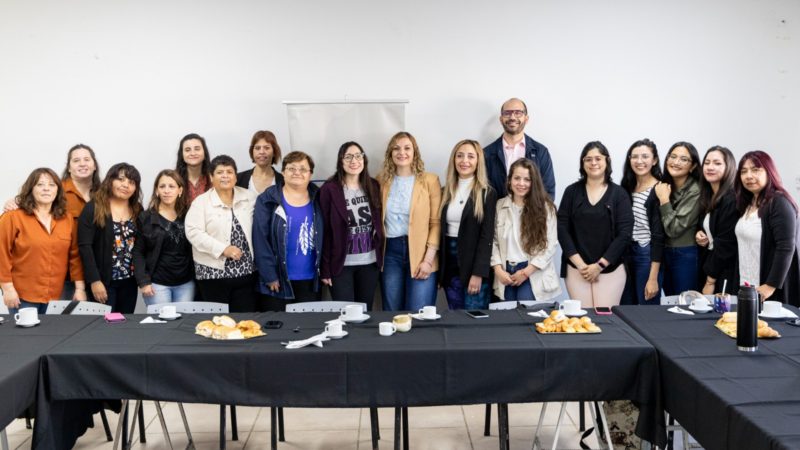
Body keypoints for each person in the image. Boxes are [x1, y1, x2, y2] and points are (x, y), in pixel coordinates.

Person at [4, 144, 100, 299]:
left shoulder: (103, 194)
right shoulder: (55, 188)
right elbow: (31, 199)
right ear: (69, 167)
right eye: (76, 160)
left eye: (87, 159)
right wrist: (14, 201)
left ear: (94, 165)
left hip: (96, 272)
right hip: (62, 276)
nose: (82, 163)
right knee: (57, 320)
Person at [558, 141, 633, 307]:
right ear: (582, 163)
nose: (593, 163)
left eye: (598, 158)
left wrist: (599, 265)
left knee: (606, 320)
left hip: (610, 268)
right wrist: (581, 265)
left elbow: (625, 234)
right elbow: (562, 229)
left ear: (607, 160)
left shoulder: (619, 194)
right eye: (588, 159)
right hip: (577, 268)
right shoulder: (571, 192)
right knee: (581, 320)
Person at [0, 168, 85, 313]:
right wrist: (7, 289)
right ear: (30, 189)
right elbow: (2, 254)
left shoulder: (67, 219)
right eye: (40, 184)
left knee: (51, 335)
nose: (46, 189)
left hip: (55, 295)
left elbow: (75, 256)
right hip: (21, 296)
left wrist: (80, 289)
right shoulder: (12, 217)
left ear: (58, 190)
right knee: (25, 336)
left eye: (52, 185)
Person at [186, 155, 258, 312]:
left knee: (245, 321)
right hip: (212, 275)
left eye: (229, 172)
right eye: (220, 172)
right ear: (211, 177)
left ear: (235, 176)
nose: (225, 176)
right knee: (218, 323)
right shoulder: (201, 202)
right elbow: (193, 232)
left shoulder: (250, 197)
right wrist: (223, 249)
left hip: (246, 274)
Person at [378, 132, 441, 311]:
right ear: (390, 153)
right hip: (390, 252)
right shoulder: (381, 180)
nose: (401, 152)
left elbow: (436, 223)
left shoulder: (430, 180)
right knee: (392, 312)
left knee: (419, 312)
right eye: (396, 148)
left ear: (415, 152)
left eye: (407, 148)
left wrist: (428, 260)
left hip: (422, 252)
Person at [253, 151, 323, 310]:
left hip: (311, 279)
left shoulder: (320, 197)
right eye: (291, 168)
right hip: (278, 280)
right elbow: (260, 239)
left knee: (308, 329)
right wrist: (269, 276)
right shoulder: (268, 199)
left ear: (310, 174)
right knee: (279, 330)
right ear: (283, 172)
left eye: (303, 169)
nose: (297, 172)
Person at [319, 142, 383, 309]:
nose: (354, 160)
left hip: (369, 263)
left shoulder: (374, 186)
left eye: (358, 155)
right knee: (346, 314)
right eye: (348, 157)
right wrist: (325, 268)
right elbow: (324, 231)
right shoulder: (329, 189)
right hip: (341, 265)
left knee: (365, 311)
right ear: (341, 161)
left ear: (364, 159)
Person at [735, 151, 800, 306]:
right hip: (747, 283)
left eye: (755, 170)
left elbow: (785, 247)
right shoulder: (748, 203)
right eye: (743, 171)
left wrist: (770, 286)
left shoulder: (779, 202)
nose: (748, 176)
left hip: (769, 289)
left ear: (769, 172)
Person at [491, 158, 560, 302]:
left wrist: (526, 272)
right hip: (505, 272)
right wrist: (498, 270)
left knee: (527, 318)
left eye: (527, 179)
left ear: (533, 182)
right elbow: (493, 242)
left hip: (531, 271)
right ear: (509, 180)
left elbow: (550, 246)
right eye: (517, 178)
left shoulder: (546, 208)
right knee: (509, 320)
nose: (521, 183)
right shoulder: (499, 205)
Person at [438, 139, 497, 309]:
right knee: (455, 314)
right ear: (453, 159)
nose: (464, 161)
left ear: (478, 161)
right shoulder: (444, 191)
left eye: (471, 156)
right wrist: (441, 274)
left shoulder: (487, 193)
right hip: (450, 266)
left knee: (475, 319)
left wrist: (478, 273)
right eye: (460, 156)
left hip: (474, 265)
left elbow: (487, 236)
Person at [78, 163, 143, 313]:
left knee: (124, 325)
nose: (125, 185)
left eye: (131, 182)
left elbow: (141, 246)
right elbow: (85, 247)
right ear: (110, 181)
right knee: (103, 327)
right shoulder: (93, 208)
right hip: (104, 281)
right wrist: (94, 281)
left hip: (129, 281)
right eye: (121, 179)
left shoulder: (137, 209)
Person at [133, 170, 195, 305]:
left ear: (180, 190)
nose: (167, 191)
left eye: (171, 186)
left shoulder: (190, 215)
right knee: (162, 325)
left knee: (183, 324)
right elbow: (138, 252)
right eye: (162, 186)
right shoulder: (146, 218)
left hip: (186, 283)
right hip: (157, 284)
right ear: (157, 191)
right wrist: (143, 282)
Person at [619, 139, 665, 305]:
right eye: (635, 156)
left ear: (654, 160)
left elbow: (659, 236)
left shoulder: (660, 188)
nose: (639, 161)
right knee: (624, 308)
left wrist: (653, 278)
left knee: (646, 310)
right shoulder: (626, 187)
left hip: (646, 255)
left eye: (645, 156)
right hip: (625, 253)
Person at [483, 98, 555, 199]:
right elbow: (482, 192)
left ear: (526, 118)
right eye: (507, 113)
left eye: (518, 113)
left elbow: (548, 191)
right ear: (501, 119)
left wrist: (533, 213)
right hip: (498, 214)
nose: (512, 117)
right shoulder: (487, 153)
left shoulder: (541, 152)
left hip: (532, 214)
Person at [655, 141, 701, 295]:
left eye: (683, 159)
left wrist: (664, 200)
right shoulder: (664, 185)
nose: (676, 162)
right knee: (669, 302)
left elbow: (674, 229)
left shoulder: (695, 190)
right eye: (672, 156)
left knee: (683, 302)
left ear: (693, 166)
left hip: (684, 253)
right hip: (664, 251)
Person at [695, 146, 739, 295]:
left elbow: (726, 244)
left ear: (729, 167)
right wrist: (700, 234)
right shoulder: (708, 196)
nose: (710, 167)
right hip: (711, 265)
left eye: (717, 163)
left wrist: (710, 281)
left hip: (725, 271)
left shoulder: (732, 199)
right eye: (707, 163)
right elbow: (708, 227)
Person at [175, 133, 211, 204]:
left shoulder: (214, 178)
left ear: (204, 152)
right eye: (187, 150)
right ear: (182, 155)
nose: (193, 153)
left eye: (197, 149)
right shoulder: (173, 179)